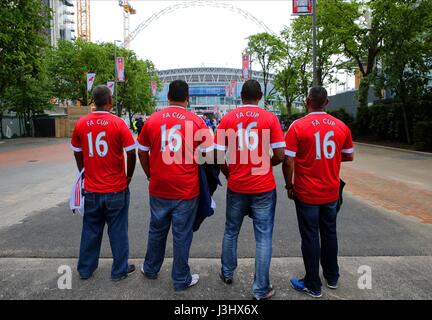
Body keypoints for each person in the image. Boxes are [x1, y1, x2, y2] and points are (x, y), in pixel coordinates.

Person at [137, 80, 214, 291]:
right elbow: (210, 153)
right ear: (188, 98)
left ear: (168, 96)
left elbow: (141, 151)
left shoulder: (152, 120)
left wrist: (150, 174)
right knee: (182, 234)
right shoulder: (197, 122)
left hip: (159, 186)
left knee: (156, 229)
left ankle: (151, 268)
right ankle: (180, 278)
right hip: (186, 188)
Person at [214, 79, 285, 300]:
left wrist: (229, 172)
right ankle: (260, 289)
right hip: (263, 186)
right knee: (263, 237)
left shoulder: (227, 119)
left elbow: (216, 156)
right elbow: (281, 155)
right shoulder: (270, 118)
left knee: (231, 231)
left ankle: (226, 273)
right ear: (260, 96)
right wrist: (264, 164)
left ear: (240, 95)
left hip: (237, 186)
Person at [282, 86, 354, 298]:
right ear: (327, 102)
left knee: (310, 236)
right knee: (330, 232)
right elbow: (349, 156)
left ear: (307, 101)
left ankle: (313, 284)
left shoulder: (298, 126)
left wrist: (289, 186)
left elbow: (288, 160)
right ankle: (332, 276)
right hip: (331, 191)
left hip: (306, 193)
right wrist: (329, 159)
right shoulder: (341, 126)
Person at [70, 85, 137, 281]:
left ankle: (85, 269)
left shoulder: (82, 123)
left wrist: (83, 172)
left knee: (90, 229)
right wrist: (128, 177)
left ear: (94, 101)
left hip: (92, 188)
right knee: (118, 231)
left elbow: (77, 150)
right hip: (116, 188)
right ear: (109, 101)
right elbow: (131, 152)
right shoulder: (118, 123)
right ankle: (119, 270)